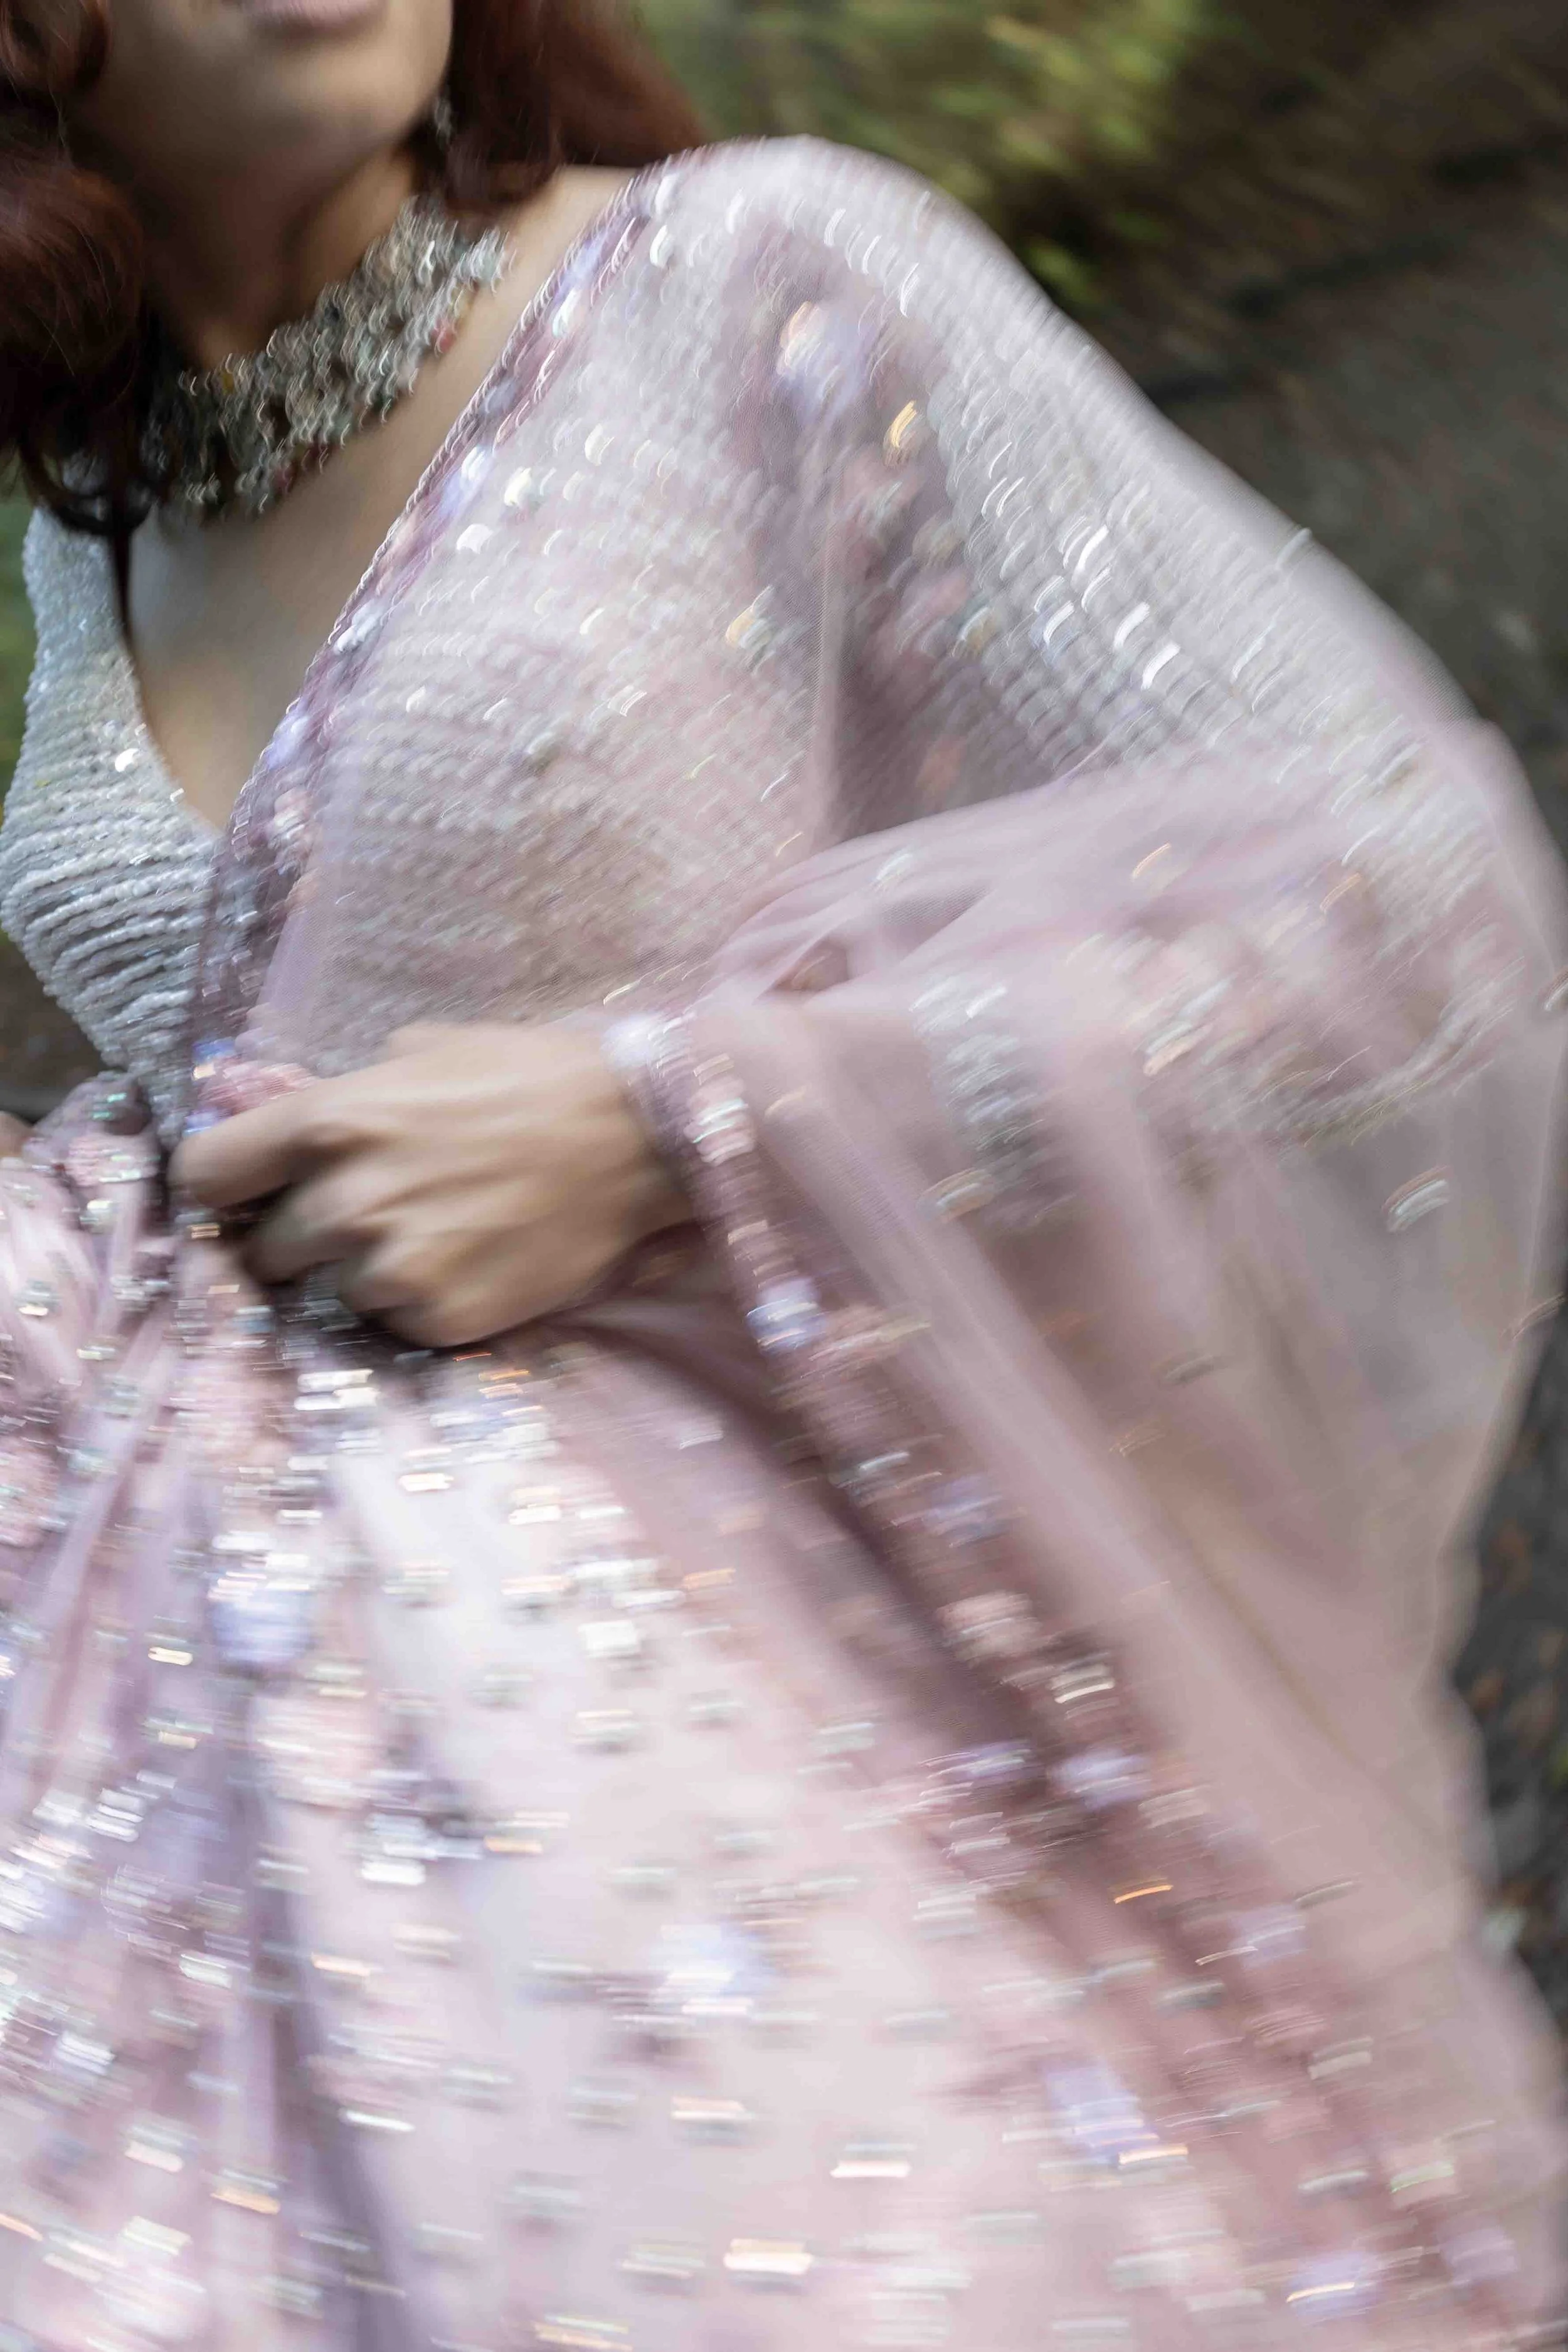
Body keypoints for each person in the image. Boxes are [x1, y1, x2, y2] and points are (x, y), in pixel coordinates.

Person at [0, 1, 1563, 2343]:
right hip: (176, 1789)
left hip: (778, 1794)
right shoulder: (84, 527)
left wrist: (671, 1119)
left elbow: (1400, 902)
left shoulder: (757, 284)